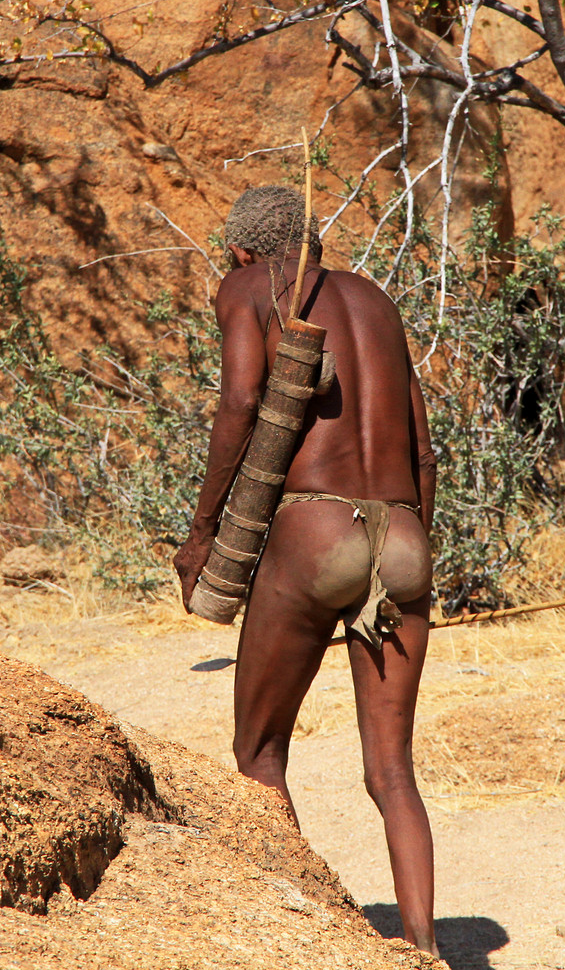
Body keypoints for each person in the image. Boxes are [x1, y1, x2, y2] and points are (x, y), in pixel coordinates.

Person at [174, 186, 440, 957]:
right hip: (403, 535)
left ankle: (311, 940)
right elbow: (425, 449)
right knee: (392, 771)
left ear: (241, 251)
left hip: (313, 531)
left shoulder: (250, 286)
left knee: (258, 753)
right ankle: (424, 951)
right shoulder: (377, 300)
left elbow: (242, 403)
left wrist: (201, 533)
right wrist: (417, 554)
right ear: (313, 239)